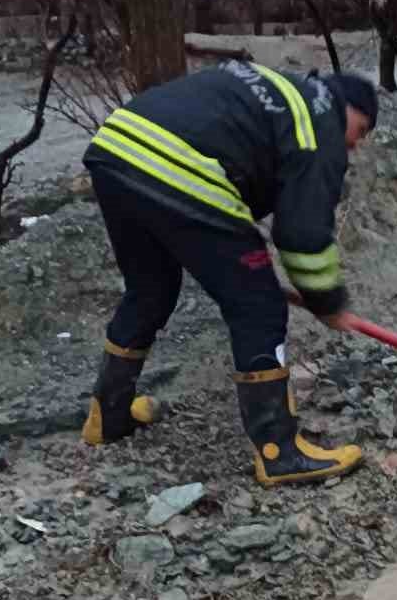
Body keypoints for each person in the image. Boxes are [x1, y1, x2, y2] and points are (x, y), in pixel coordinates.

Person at [80, 60, 378, 487]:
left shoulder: (285, 94)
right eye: (361, 132)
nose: (355, 146)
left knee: (151, 288)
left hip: (116, 148)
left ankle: (107, 416)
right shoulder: (321, 121)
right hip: (178, 164)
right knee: (257, 305)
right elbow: (302, 233)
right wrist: (328, 301)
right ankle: (279, 452)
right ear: (349, 109)